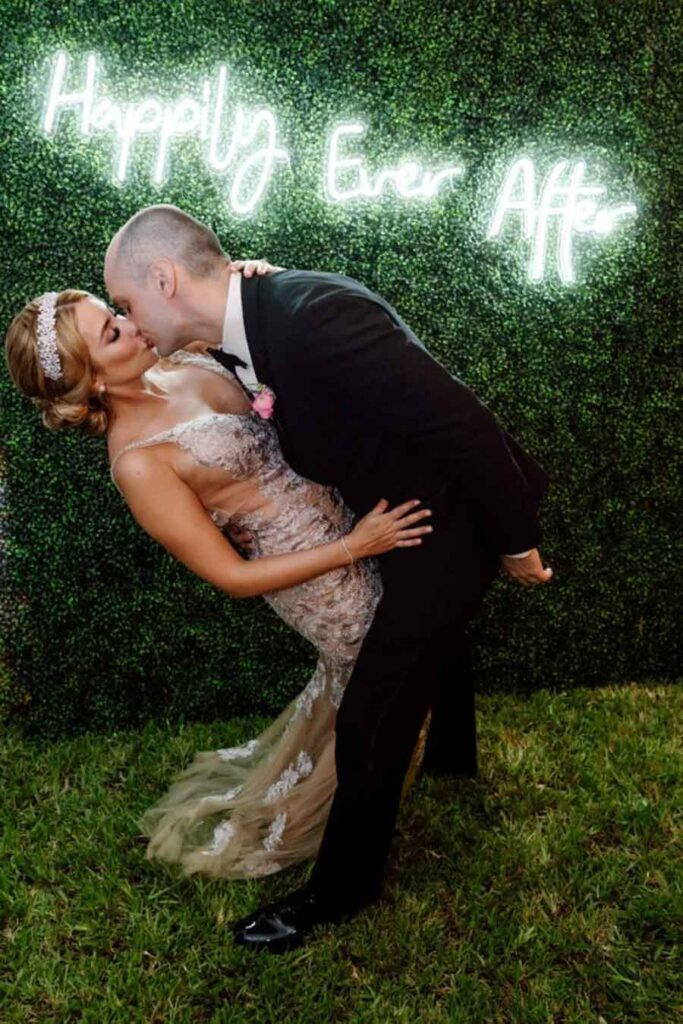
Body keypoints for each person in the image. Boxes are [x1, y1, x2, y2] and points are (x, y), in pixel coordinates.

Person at [100, 204, 552, 953]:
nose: (132, 320)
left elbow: (462, 425)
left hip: (447, 527)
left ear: (164, 276)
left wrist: (514, 545)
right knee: (421, 659)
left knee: (368, 715)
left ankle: (340, 893)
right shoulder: (247, 321)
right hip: (393, 514)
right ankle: (452, 760)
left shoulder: (312, 317)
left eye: (125, 303)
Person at [3, 274, 435, 885]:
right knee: (385, 679)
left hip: (352, 510)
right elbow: (233, 577)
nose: (131, 323)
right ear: (94, 380)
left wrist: (253, 280)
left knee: (404, 659)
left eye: (115, 313)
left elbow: (240, 324)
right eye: (112, 330)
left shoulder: (178, 355)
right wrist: (353, 546)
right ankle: (350, 841)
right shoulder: (138, 464)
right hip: (320, 575)